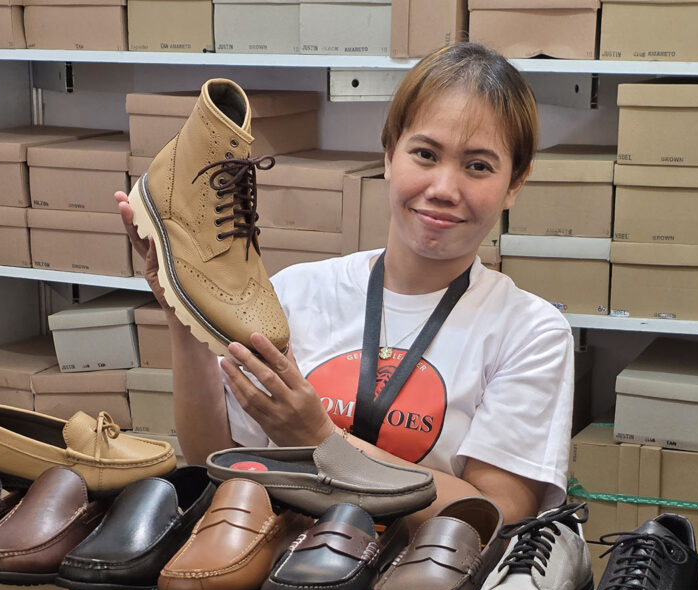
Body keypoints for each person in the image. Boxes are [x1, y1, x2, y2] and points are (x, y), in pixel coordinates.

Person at [117, 42, 575, 526]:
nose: (444, 189)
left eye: (478, 166)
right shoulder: (291, 295)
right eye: (425, 154)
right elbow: (216, 458)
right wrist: (182, 311)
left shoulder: (530, 332)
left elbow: (494, 515)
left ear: (515, 183)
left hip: (421, 571)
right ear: (388, 155)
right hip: (286, 561)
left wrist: (321, 441)